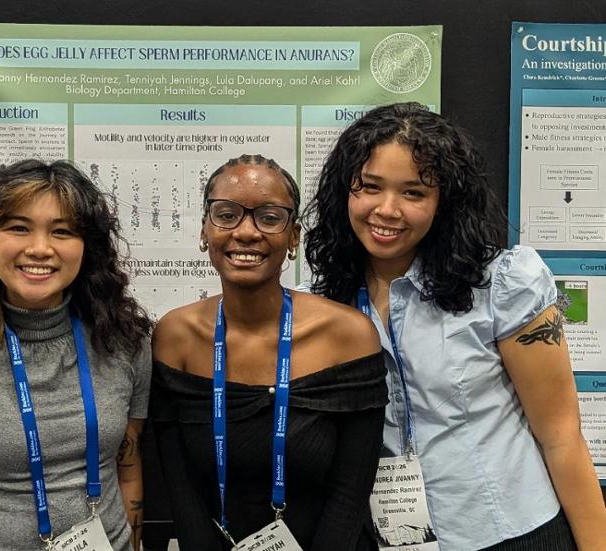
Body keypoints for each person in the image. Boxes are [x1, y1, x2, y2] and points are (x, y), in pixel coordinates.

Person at [304, 102, 606, 550]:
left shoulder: (502, 285)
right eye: (370, 187)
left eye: (414, 192)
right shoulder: (320, 301)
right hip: (390, 537)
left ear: (444, 201)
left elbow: (561, 437)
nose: (387, 210)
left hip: (512, 533)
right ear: (344, 190)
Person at [150, 154, 386, 550]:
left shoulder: (348, 336)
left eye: (269, 217)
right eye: (226, 215)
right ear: (205, 231)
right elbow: (182, 492)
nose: (246, 232)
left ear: (293, 237)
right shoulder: (176, 338)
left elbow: (349, 494)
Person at [0, 159, 153, 551]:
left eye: (62, 231)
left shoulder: (125, 343)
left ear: (85, 248)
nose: (40, 249)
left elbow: (127, 471)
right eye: (19, 228)